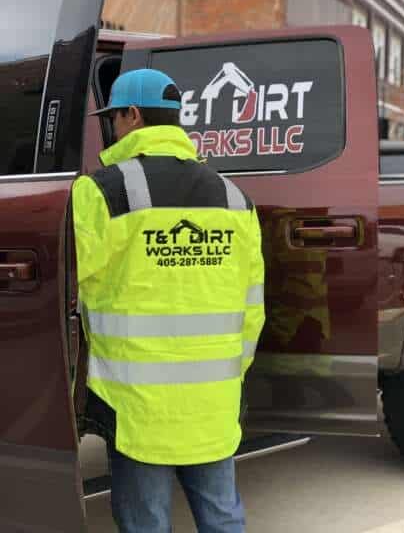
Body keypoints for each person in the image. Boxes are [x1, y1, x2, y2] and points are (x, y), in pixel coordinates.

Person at [72, 68, 265, 533]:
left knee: (146, 524)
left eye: (114, 118)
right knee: (222, 519)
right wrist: (228, 375)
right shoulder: (235, 199)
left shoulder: (101, 192)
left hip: (138, 407)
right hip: (213, 401)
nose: (112, 128)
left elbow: (68, 283)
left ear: (132, 116)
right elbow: (252, 308)